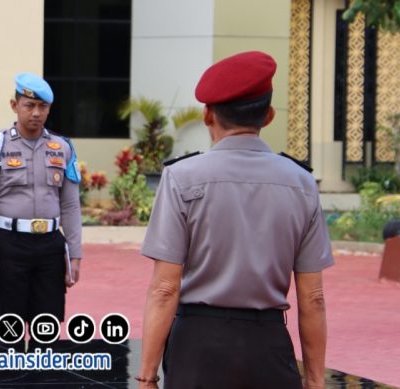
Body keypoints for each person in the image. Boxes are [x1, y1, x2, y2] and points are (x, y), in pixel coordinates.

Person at [137, 51, 333, 389]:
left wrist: (147, 376)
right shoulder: (301, 183)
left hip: (196, 349)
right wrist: (315, 380)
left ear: (207, 115)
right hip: (268, 346)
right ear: (268, 116)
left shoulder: (181, 177)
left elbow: (165, 287)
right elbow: (312, 297)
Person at [0, 73, 82, 351]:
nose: (36, 113)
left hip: (50, 248)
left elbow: (70, 204)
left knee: (49, 330)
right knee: (10, 333)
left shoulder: (63, 148)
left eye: (42, 107)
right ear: (14, 105)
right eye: (29, 105)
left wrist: (75, 256)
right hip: (8, 246)